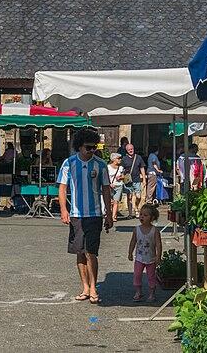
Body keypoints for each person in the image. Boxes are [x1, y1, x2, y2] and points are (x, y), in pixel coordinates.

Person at [58, 128, 113, 304]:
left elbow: (105, 189)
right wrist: (63, 210)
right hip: (75, 213)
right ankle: (85, 287)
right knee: (79, 252)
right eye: (88, 147)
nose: (92, 150)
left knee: (91, 252)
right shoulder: (69, 163)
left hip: (95, 214)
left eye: (94, 147)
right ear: (79, 147)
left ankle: (94, 287)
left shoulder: (101, 164)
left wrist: (109, 214)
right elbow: (62, 188)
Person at [128, 204, 162, 302]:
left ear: (152, 218)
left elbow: (158, 244)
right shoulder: (136, 229)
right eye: (141, 214)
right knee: (137, 274)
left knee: (151, 276)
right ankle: (138, 291)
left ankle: (152, 293)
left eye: (145, 215)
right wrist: (130, 253)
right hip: (139, 258)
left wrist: (158, 256)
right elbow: (133, 241)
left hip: (151, 259)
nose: (142, 217)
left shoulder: (155, 231)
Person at [121, 143, 147, 216]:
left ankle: (136, 208)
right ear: (126, 150)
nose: (130, 150)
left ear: (133, 149)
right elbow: (121, 170)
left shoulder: (138, 157)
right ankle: (130, 213)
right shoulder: (124, 159)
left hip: (137, 179)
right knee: (129, 197)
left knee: (138, 196)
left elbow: (142, 168)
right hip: (128, 181)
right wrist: (122, 178)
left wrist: (144, 179)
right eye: (129, 150)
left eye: (131, 149)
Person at [108, 153, 130, 221]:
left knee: (116, 201)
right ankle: (110, 214)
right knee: (110, 201)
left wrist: (120, 177)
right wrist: (109, 184)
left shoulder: (121, 168)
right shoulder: (108, 167)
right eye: (118, 158)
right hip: (110, 186)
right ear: (114, 159)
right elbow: (105, 177)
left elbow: (124, 176)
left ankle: (113, 216)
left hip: (119, 185)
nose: (120, 160)